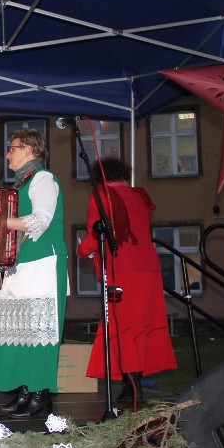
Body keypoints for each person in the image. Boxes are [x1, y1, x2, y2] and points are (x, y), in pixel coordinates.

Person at [0, 128, 68, 418]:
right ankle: (26, 391)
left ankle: (40, 394)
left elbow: (41, 220)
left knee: (41, 331)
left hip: (43, 265)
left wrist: (0, 222)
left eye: (12, 148)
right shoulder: (22, 184)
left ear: (29, 150)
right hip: (24, 265)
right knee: (24, 332)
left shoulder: (43, 179)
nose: (7, 154)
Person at [75, 157, 177, 403]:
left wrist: (81, 251)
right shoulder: (139, 196)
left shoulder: (101, 196)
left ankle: (132, 387)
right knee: (141, 325)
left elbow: (94, 233)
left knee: (124, 326)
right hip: (149, 268)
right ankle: (134, 382)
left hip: (122, 269)